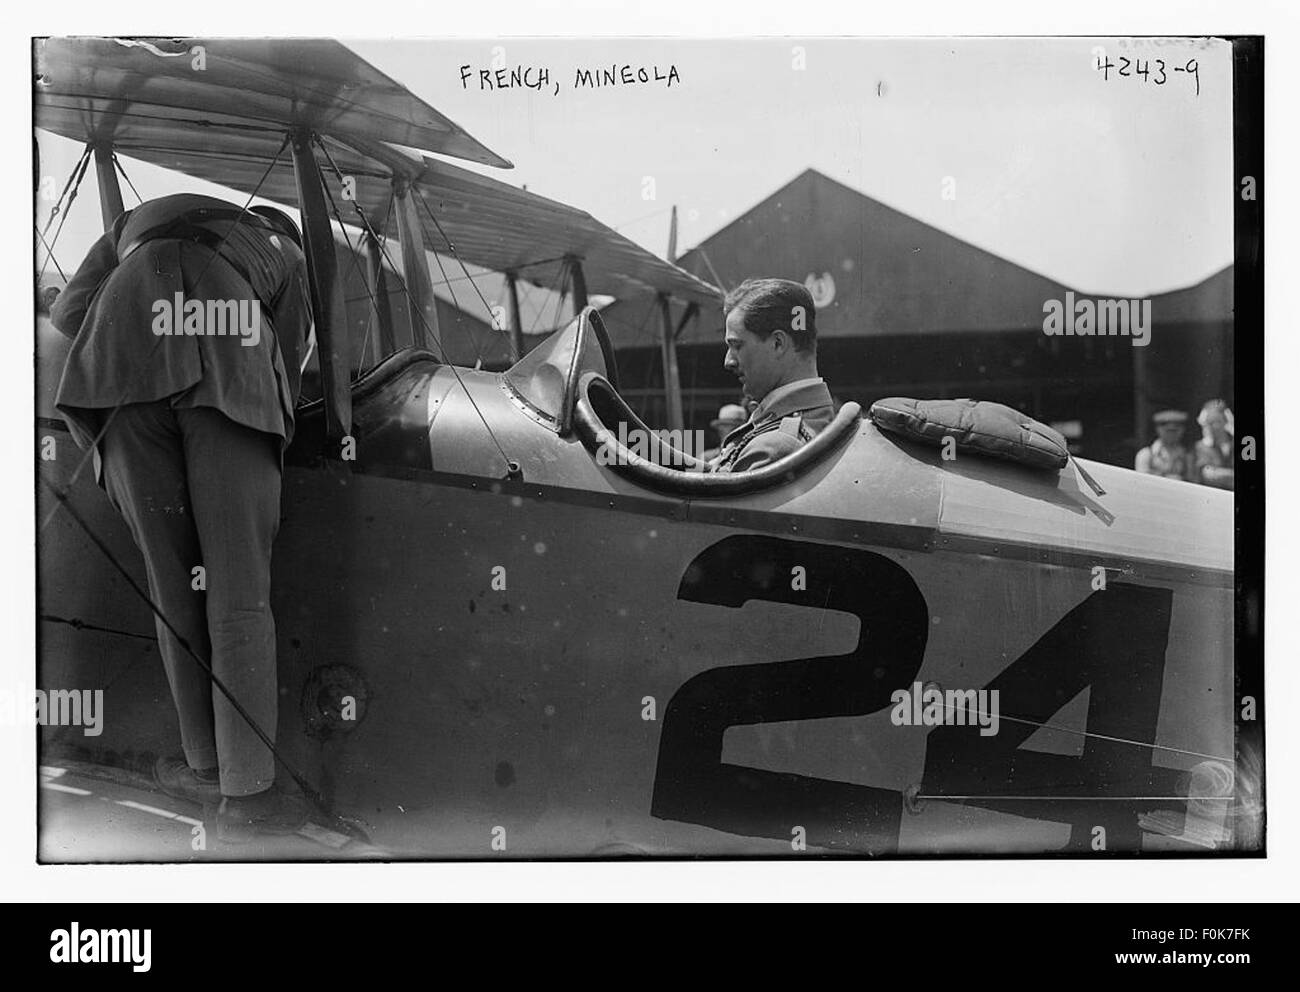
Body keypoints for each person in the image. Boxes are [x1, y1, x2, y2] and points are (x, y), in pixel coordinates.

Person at [49, 192, 313, 842]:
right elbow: (289, 354)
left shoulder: (132, 224)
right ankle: (248, 798)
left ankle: (203, 767)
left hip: (119, 372)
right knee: (238, 598)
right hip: (227, 373)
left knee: (177, 590)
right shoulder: (283, 250)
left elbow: (67, 312)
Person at [709, 278, 834, 473]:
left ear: (777, 343)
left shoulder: (775, 448)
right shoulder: (817, 421)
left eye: (737, 346)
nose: (728, 361)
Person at [1134, 409, 1195, 481]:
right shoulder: (1146, 454)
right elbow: (1141, 481)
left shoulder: (1187, 456)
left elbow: (1192, 481)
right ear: (1158, 429)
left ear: (1182, 430)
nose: (1171, 434)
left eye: (1174, 431)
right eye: (1168, 431)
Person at [1193, 399, 1235, 490]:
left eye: (1217, 421)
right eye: (1210, 422)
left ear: (1225, 421)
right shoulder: (1201, 447)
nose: (1214, 426)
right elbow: (1208, 475)